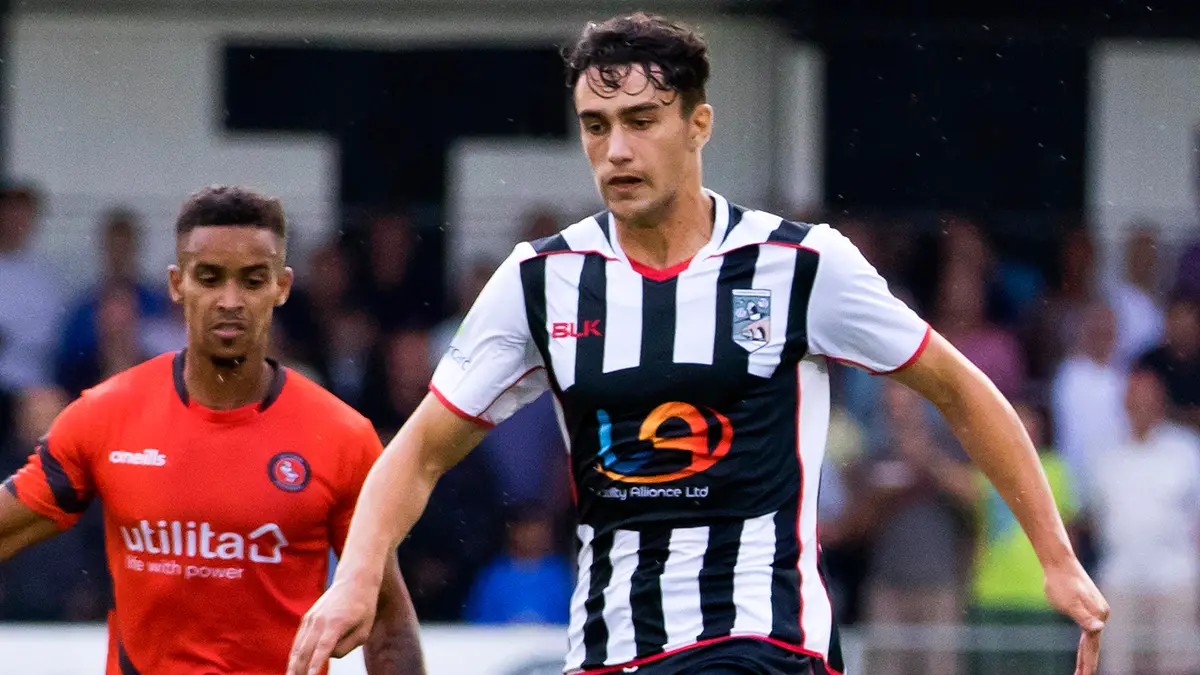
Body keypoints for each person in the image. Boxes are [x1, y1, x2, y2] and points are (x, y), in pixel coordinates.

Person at [288, 14, 1107, 675]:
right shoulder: (540, 278)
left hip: (764, 640)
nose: (615, 150)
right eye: (595, 125)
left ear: (698, 123)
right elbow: (422, 447)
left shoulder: (799, 262)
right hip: (610, 649)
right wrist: (356, 578)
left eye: (641, 121)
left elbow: (959, 388)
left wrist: (1056, 557)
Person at [0, 185, 424, 675]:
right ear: (177, 285)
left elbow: (388, 625)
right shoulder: (103, 416)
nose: (230, 300)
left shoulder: (343, 437)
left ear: (282, 287)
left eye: (251, 280)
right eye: (209, 278)